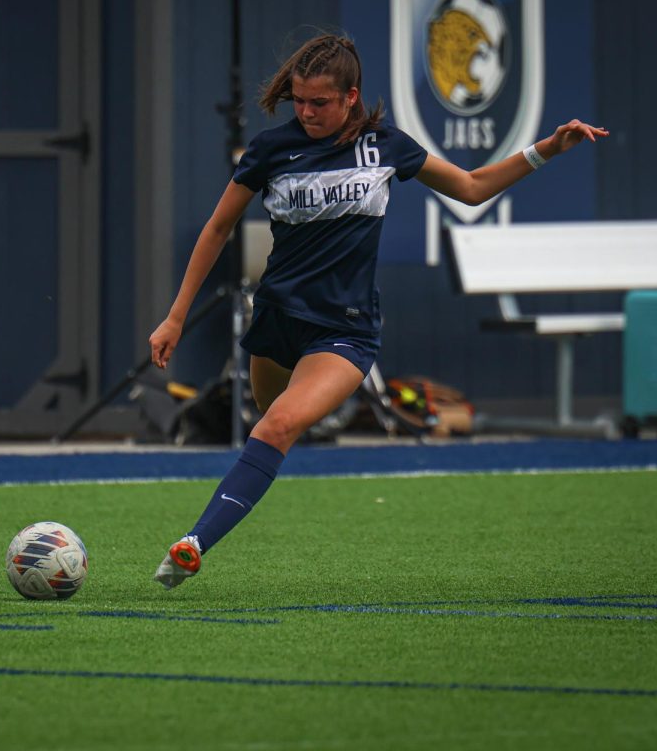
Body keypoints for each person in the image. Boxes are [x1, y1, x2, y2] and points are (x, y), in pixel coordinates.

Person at [149, 33, 607, 588]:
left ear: (350, 96)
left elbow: (470, 187)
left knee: (279, 423)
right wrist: (175, 316)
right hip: (276, 318)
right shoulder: (273, 149)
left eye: (319, 102)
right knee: (272, 426)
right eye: (299, 100)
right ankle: (243, 489)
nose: (307, 112)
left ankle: (193, 544)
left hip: (345, 331)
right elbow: (218, 229)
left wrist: (548, 149)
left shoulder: (385, 145)